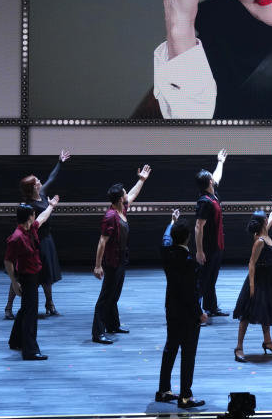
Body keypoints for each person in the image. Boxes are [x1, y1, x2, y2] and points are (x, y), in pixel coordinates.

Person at [5, 149, 71, 319]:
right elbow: (37, 221)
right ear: (33, 186)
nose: (41, 182)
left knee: (47, 274)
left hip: (46, 239)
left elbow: (52, 177)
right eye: (38, 181)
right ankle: (8, 307)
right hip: (33, 242)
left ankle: (50, 304)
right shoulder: (27, 206)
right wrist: (51, 206)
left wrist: (60, 162)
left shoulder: (41, 195)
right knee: (22, 275)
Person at [91, 164, 151, 344]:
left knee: (115, 294)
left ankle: (113, 324)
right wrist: (98, 265)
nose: (127, 195)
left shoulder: (121, 209)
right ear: (118, 199)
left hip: (121, 258)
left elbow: (132, 194)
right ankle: (98, 332)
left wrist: (141, 180)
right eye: (124, 193)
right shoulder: (110, 216)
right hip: (112, 261)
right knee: (106, 296)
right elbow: (102, 241)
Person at [156, 209, 208, 410]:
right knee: (188, 354)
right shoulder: (189, 263)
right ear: (188, 238)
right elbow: (191, 294)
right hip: (187, 315)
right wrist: (200, 313)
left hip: (171, 308)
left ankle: (163, 390)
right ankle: (185, 396)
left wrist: (171, 222)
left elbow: (165, 239)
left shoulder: (166, 254)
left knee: (170, 348)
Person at [232, 190, 272, 360]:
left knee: (266, 310)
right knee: (247, 313)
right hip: (258, 278)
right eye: (265, 217)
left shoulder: (266, 232)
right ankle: (238, 348)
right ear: (262, 222)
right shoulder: (259, 241)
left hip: (269, 277)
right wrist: (251, 285)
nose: (267, 218)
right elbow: (251, 263)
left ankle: (268, 341)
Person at [5, 200, 59, 360]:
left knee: (25, 310)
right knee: (30, 313)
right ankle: (30, 351)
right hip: (26, 277)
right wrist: (14, 283)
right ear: (28, 217)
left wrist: (51, 206)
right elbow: (8, 261)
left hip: (35, 275)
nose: (35, 216)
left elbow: (42, 218)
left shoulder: (31, 229)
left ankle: (15, 341)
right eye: (33, 214)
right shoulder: (16, 237)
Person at [195, 149, 228, 317]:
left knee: (212, 278)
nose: (214, 180)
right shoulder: (205, 202)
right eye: (211, 179)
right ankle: (195, 309)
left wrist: (220, 161)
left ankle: (211, 307)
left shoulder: (212, 196)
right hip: (209, 247)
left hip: (217, 246)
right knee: (203, 279)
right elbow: (198, 227)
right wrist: (199, 251)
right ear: (208, 182)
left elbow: (217, 176)